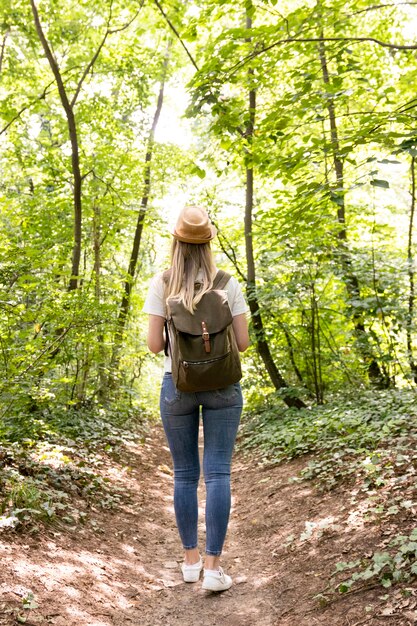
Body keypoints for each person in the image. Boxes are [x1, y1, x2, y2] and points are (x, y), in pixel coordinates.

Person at [143, 205, 250, 592]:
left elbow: (155, 345)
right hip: (223, 386)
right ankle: (214, 569)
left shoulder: (163, 284)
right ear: (208, 244)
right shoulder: (227, 283)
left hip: (177, 386)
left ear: (176, 242)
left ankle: (189, 562)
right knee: (218, 473)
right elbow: (243, 342)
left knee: (185, 475)